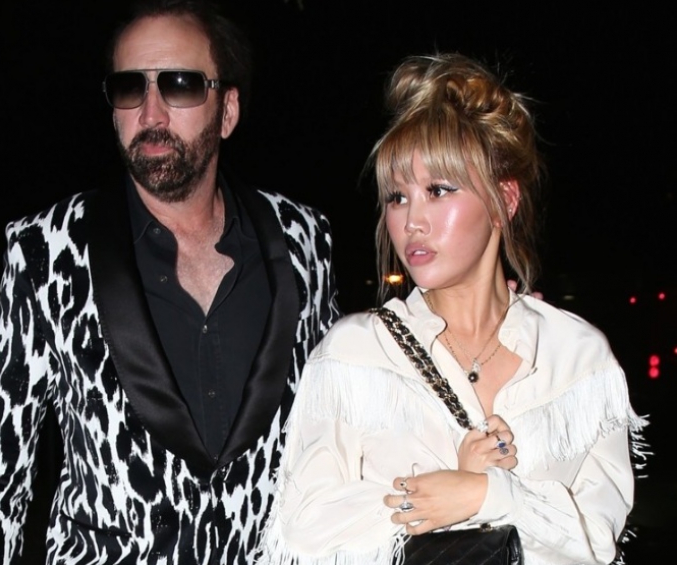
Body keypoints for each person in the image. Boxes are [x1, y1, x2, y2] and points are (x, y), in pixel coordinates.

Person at [0, 1, 339, 563]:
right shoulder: (46, 250)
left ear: (228, 110)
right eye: (130, 88)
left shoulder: (303, 241)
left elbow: (335, 434)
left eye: (180, 85)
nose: (151, 112)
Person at [256, 53, 647, 565]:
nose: (412, 222)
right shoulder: (357, 354)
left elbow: (596, 541)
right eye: (397, 197)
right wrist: (443, 492)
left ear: (504, 201)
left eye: (438, 191)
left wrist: (490, 494)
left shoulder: (576, 358)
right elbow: (304, 531)